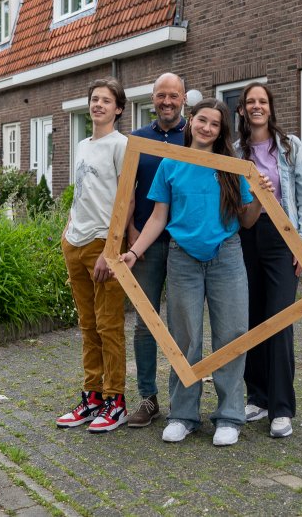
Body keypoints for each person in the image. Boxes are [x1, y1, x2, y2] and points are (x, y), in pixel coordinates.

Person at [121, 98, 272, 447]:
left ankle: (230, 416)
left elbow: (247, 221)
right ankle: (183, 415)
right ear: (191, 121)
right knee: (184, 337)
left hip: (227, 256)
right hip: (182, 258)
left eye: (214, 124)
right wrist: (133, 251)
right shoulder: (171, 163)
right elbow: (158, 217)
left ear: (221, 131)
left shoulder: (232, 165)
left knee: (232, 335)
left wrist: (261, 198)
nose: (206, 127)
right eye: (202, 120)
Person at [234, 81, 302, 439]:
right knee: (252, 317)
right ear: (242, 109)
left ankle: (282, 408)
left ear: (270, 107)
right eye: (251, 101)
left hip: (284, 236)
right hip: (246, 237)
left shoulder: (290, 146)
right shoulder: (235, 150)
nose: (257, 106)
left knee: (281, 319)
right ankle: (258, 396)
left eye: (262, 101)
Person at [56, 78, 130, 433]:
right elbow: (81, 192)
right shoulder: (83, 145)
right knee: (87, 326)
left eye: (106, 100)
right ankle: (92, 396)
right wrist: (67, 230)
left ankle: (116, 401)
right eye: (94, 99)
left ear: (118, 108)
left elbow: (125, 201)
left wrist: (112, 249)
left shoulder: (121, 145)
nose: (98, 104)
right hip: (76, 241)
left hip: (103, 245)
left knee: (109, 326)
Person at [125, 73, 187, 428]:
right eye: (161, 95)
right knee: (145, 324)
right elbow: (128, 189)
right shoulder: (138, 139)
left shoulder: (193, 136)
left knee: (182, 324)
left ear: (183, 99)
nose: (167, 101)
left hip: (183, 243)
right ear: (152, 98)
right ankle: (148, 399)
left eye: (173, 95)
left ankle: (182, 399)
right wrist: (133, 231)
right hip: (146, 244)